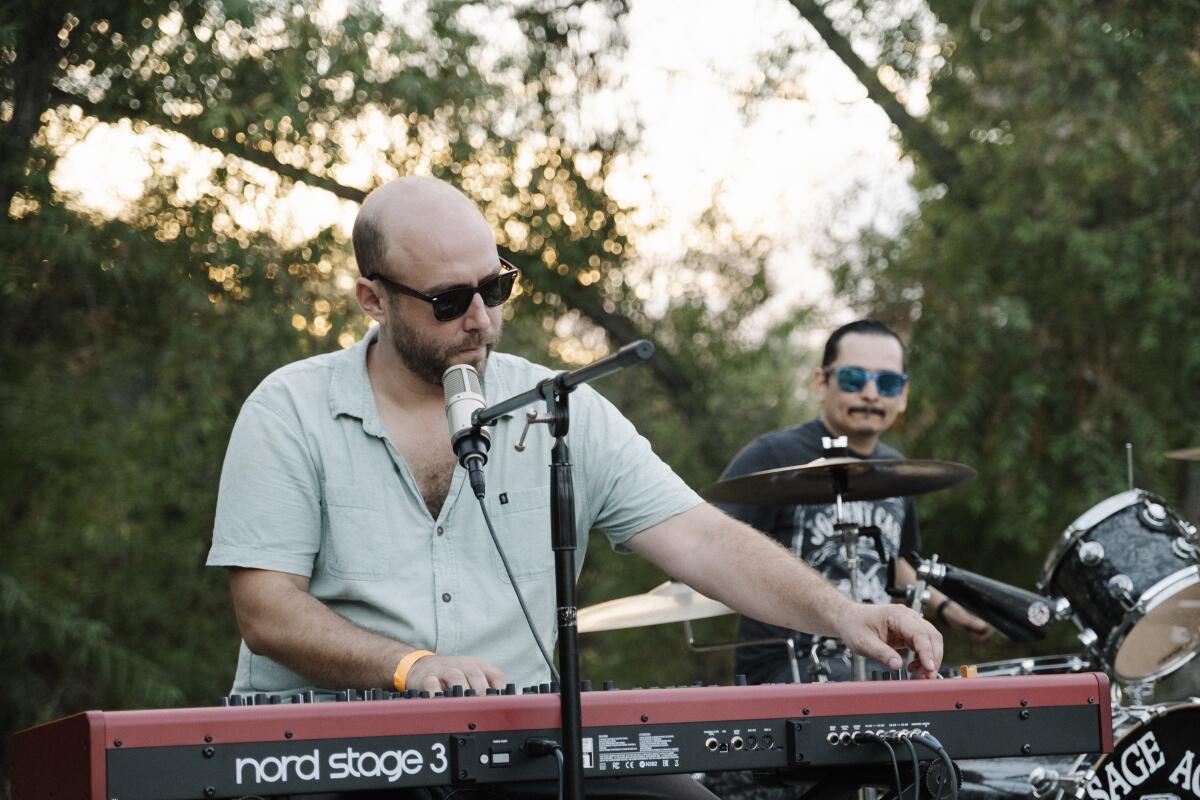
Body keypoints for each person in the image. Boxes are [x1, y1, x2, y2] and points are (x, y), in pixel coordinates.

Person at [207, 178, 944, 799]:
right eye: (448, 301)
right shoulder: (291, 410)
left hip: (515, 744)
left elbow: (698, 536)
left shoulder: (560, 407)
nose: (482, 319)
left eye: (495, 287)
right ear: (372, 298)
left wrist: (841, 612)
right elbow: (266, 611)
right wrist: (410, 668)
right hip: (323, 749)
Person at [717, 320, 991, 686]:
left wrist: (948, 608)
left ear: (903, 393)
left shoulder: (896, 469)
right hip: (791, 663)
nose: (871, 393)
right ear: (821, 383)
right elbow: (714, 546)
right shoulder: (772, 456)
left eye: (888, 383)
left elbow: (894, 562)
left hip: (881, 658)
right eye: (853, 379)